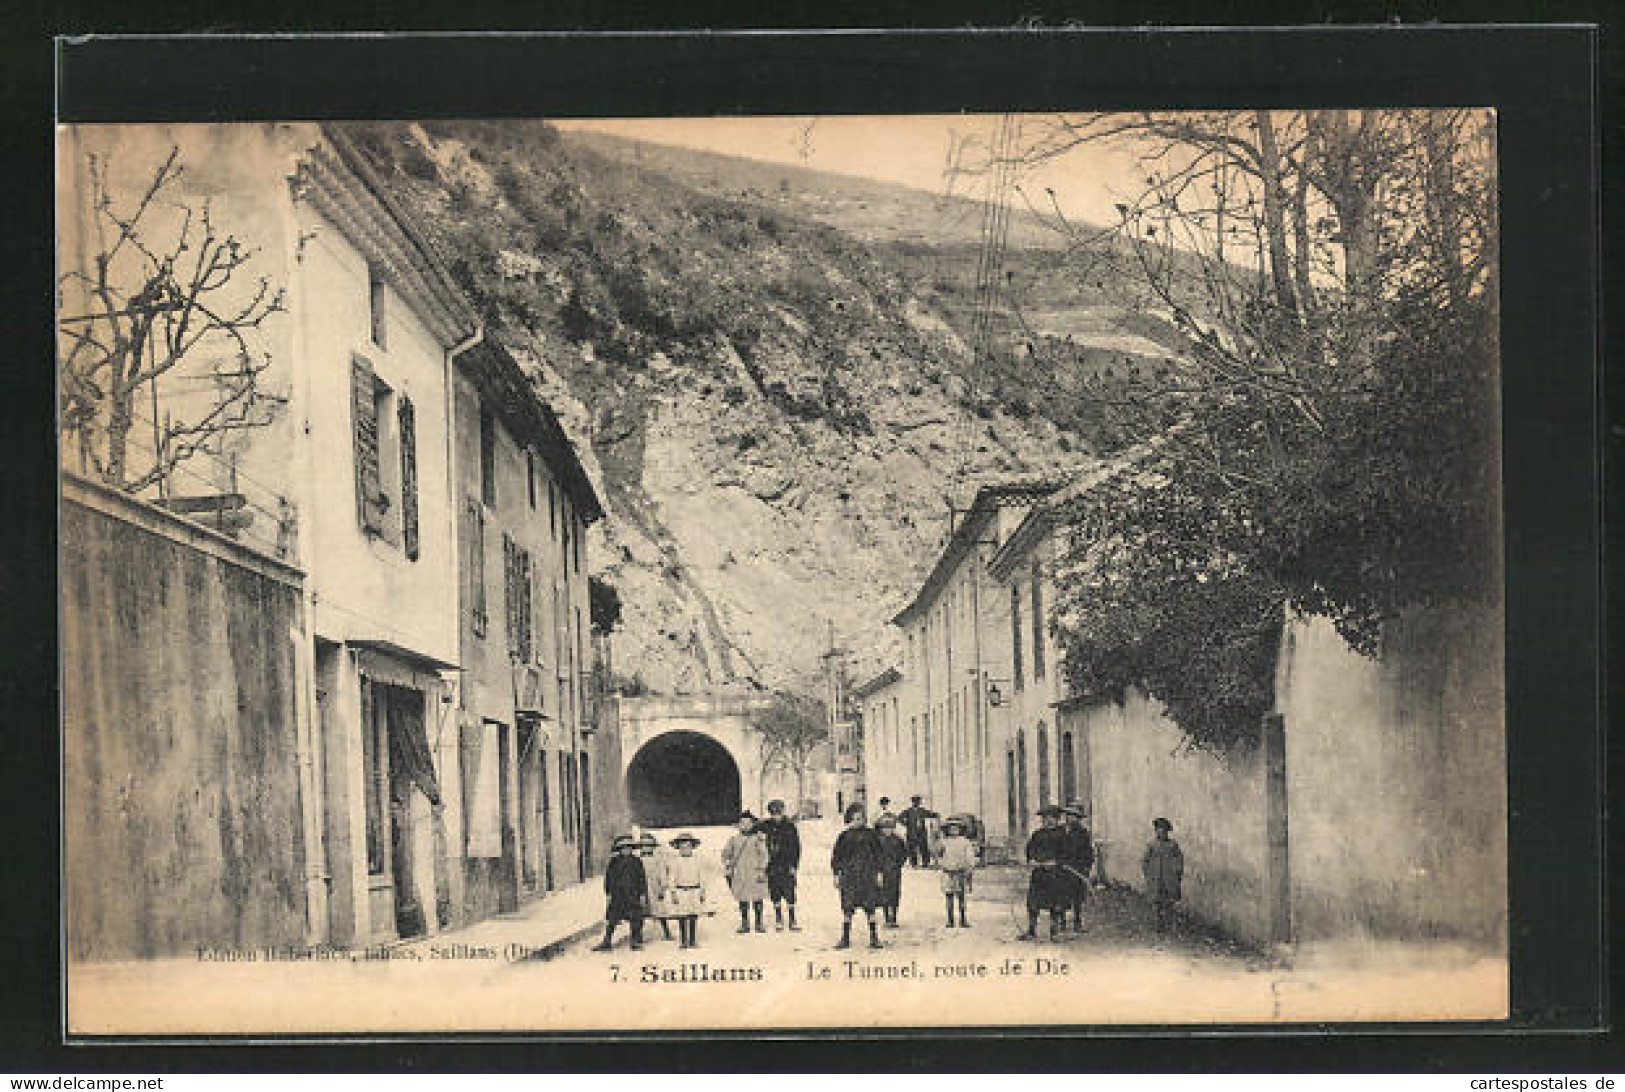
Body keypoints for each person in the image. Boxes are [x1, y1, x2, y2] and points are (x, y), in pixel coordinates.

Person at [830, 803, 886, 950]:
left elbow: (879, 854)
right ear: (849, 819)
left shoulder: (871, 835)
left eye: (861, 818)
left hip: (868, 876)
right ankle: (845, 938)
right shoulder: (843, 837)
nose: (858, 821)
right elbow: (836, 857)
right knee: (848, 908)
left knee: (870, 907)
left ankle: (874, 938)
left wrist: (879, 873)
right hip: (849, 877)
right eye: (855, 818)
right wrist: (836, 875)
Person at [1019, 804, 1071, 941]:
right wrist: (1032, 860)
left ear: (1057, 819)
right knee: (1033, 902)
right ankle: (1031, 931)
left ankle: (1054, 932)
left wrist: (1055, 862)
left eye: (1052, 818)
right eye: (1046, 818)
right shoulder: (1038, 834)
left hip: (1056, 875)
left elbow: (1067, 854)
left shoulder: (1063, 835)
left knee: (1055, 904)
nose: (1048, 820)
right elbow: (1030, 849)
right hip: (1039, 874)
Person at [592, 835, 648, 952]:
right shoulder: (614, 862)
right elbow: (608, 878)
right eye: (623, 848)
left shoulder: (637, 862)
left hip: (633, 894)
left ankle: (635, 941)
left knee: (635, 918)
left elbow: (642, 878)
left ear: (632, 849)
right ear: (619, 849)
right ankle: (607, 941)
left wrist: (642, 894)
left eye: (629, 848)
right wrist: (608, 892)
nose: (626, 850)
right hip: (618, 895)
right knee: (612, 919)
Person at [722, 811, 770, 934]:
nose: (745, 825)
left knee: (757, 898)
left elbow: (764, 855)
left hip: (755, 872)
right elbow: (726, 854)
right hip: (740, 873)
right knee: (742, 898)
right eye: (742, 823)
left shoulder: (757, 839)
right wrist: (727, 863)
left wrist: (762, 869)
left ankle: (759, 923)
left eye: (748, 823)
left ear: (752, 824)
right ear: (739, 825)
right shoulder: (733, 840)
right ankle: (745, 923)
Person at [758, 798, 803, 931]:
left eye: (778, 812)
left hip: (787, 864)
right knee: (775, 892)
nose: (776, 816)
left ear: (783, 812)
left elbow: (796, 848)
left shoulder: (790, 827)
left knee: (790, 892)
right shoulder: (766, 825)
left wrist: (794, 866)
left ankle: (792, 920)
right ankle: (778, 919)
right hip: (772, 865)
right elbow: (753, 830)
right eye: (773, 813)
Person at [1142, 817, 1184, 935]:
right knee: (1157, 903)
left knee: (1169, 902)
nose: (1161, 832)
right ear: (1156, 831)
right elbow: (1145, 861)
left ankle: (1171, 925)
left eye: (1164, 830)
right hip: (1156, 879)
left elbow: (1179, 860)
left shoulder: (1172, 845)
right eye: (1158, 830)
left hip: (1169, 879)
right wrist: (1148, 875)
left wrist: (1177, 873)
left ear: (1167, 832)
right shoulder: (1151, 845)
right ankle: (1159, 925)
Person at [1059, 804, 1097, 933]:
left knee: (1077, 897)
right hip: (1063, 869)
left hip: (1077, 869)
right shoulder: (1060, 830)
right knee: (1062, 896)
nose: (1070, 818)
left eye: (1073, 816)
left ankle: (1077, 923)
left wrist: (1086, 868)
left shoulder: (1083, 832)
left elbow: (1089, 852)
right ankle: (1062, 923)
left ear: (1078, 818)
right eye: (1068, 815)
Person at [665, 831, 707, 949]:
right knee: (682, 915)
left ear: (692, 847)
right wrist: (673, 893)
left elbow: (702, 876)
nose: (685, 849)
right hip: (681, 891)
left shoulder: (698, 860)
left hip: (694, 891)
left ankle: (692, 940)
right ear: (678, 848)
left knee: (693, 915)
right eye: (682, 847)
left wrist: (702, 891)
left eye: (688, 847)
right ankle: (683, 940)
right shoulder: (675, 861)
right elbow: (672, 878)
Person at [938, 815, 978, 928]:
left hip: (961, 873)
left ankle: (963, 919)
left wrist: (969, 868)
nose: (954, 830)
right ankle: (950, 920)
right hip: (948, 873)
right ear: (947, 830)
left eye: (956, 828)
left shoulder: (965, 842)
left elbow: (970, 857)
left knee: (961, 897)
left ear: (961, 830)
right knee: (949, 897)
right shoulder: (944, 842)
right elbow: (938, 854)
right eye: (951, 828)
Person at [874, 813, 909, 928]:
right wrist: (878, 868)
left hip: (894, 871)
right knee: (884, 894)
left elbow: (904, 854)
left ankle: (894, 917)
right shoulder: (877, 841)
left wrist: (898, 864)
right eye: (885, 828)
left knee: (895, 893)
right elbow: (874, 855)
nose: (887, 830)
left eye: (890, 827)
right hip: (882, 871)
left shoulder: (898, 840)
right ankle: (886, 917)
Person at [638, 831, 674, 942]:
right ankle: (638, 935)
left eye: (649, 846)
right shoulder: (637, 859)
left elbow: (663, 873)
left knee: (659, 910)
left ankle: (666, 931)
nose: (646, 848)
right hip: (641, 887)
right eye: (644, 846)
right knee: (640, 911)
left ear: (653, 847)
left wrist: (662, 888)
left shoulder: (658, 860)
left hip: (654, 887)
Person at [898, 795, 939, 868]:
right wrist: (907, 824)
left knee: (923, 847)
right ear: (912, 802)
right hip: (912, 833)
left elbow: (930, 814)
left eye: (918, 801)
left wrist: (935, 815)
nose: (916, 803)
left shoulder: (922, 811)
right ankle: (914, 864)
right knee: (912, 848)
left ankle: (925, 863)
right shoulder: (908, 811)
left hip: (921, 833)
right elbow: (899, 818)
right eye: (915, 801)